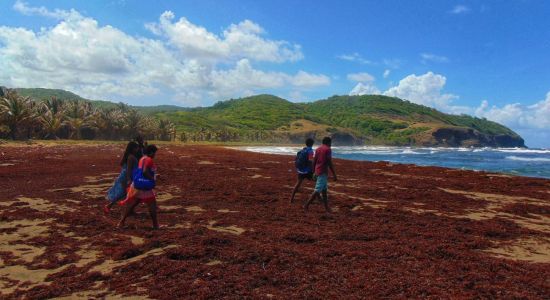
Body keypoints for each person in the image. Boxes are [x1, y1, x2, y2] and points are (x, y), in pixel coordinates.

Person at [118, 145, 160, 229]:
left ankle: (121, 222)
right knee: (152, 205)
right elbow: (145, 172)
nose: (155, 155)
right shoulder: (149, 160)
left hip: (137, 184)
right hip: (144, 186)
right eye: (154, 153)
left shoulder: (142, 159)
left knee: (132, 204)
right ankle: (155, 225)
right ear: (151, 152)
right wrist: (152, 178)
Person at [104, 141, 139, 213]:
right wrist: (129, 179)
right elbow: (129, 169)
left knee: (124, 193)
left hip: (124, 176)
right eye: (136, 148)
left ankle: (110, 206)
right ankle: (128, 210)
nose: (137, 149)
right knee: (127, 193)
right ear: (133, 148)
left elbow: (122, 164)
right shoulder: (131, 157)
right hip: (127, 177)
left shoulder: (127, 156)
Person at [304, 137, 337, 212]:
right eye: (330, 143)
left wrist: (313, 171)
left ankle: (326, 208)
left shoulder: (318, 149)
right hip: (323, 172)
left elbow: (314, 161)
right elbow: (329, 162)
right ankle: (306, 205)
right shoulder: (328, 149)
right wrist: (334, 174)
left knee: (324, 190)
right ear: (328, 142)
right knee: (317, 190)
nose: (331, 144)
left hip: (318, 170)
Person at [290, 138, 315, 203]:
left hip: (300, 170)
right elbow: (310, 161)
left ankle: (291, 199)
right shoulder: (310, 151)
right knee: (317, 183)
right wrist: (312, 170)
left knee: (298, 184)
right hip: (307, 171)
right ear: (312, 144)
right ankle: (319, 199)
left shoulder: (303, 150)